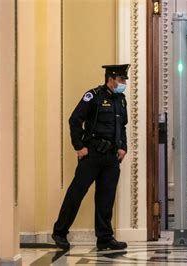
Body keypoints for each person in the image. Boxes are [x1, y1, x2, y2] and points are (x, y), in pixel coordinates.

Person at [52, 64, 130, 251]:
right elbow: (75, 120)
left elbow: (123, 126)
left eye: (124, 79)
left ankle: (104, 238)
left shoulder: (121, 100)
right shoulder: (93, 96)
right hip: (93, 155)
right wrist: (79, 146)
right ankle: (60, 232)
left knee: (106, 198)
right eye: (121, 79)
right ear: (110, 79)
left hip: (112, 157)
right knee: (76, 193)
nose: (124, 83)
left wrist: (123, 147)